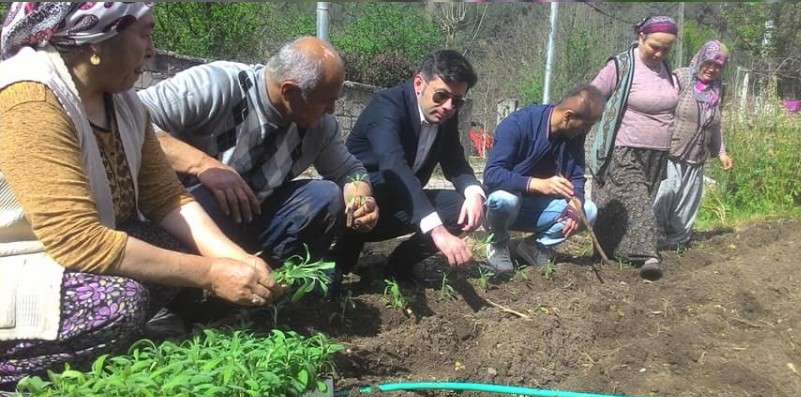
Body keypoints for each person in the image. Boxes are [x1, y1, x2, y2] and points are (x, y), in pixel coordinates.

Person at [0, 2, 282, 397]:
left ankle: (90, 354)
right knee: (121, 302)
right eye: (144, 34)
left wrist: (234, 258)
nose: (151, 51)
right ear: (98, 39)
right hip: (20, 258)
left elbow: (168, 199)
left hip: (65, 256)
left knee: (169, 248)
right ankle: (17, 392)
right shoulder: (29, 97)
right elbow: (77, 240)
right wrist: (210, 274)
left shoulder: (125, 104)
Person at [137, 36, 379, 269]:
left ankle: (274, 284)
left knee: (325, 196)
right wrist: (203, 166)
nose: (332, 110)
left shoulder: (321, 128)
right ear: (289, 92)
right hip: (193, 221)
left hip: (258, 219)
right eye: (326, 101)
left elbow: (350, 171)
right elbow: (131, 120)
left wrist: (360, 198)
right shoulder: (218, 85)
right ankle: (185, 290)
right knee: (206, 196)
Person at [331, 49, 485, 286]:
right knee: (375, 187)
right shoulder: (387, 105)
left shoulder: (446, 115)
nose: (448, 106)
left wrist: (474, 193)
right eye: (441, 96)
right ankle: (338, 263)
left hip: (400, 202)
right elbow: (391, 163)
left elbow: (454, 160)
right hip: (357, 206)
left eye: (457, 101)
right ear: (419, 83)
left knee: (459, 207)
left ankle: (399, 264)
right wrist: (437, 231)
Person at [589, 15, 679, 281]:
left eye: (666, 48)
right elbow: (592, 95)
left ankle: (610, 253)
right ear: (641, 37)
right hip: (622, 148)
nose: (660, 53)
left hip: (657, 152)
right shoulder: (621, 66)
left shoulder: (666, 68)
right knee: (637, 198)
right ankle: (648, 254)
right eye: (655, 46)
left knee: (621, 205)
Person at [482, 85, 603, 273]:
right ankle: (498, 245)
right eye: (586, 125)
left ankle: (533, 246)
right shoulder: (518, 124)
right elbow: (492, 174)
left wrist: (575, 201)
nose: (585, 132)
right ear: (568, 116)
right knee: (503, 199)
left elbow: (577, 177)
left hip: (537, 209)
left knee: (588, 210)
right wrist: (536, 184)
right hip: (506, 207)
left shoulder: (573, 136)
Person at [654, 40, 733, 248]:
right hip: (670, 153)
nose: (712, 69)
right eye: (709, 63)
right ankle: (652, 242)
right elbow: (660, 106)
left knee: (686, 204)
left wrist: (721, 152)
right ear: (700, 59)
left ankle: (676, 245)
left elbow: (715, 124)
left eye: (718, 66)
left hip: (696, 158)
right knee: (664, 196)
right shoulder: (681, 77)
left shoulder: (717, 89)